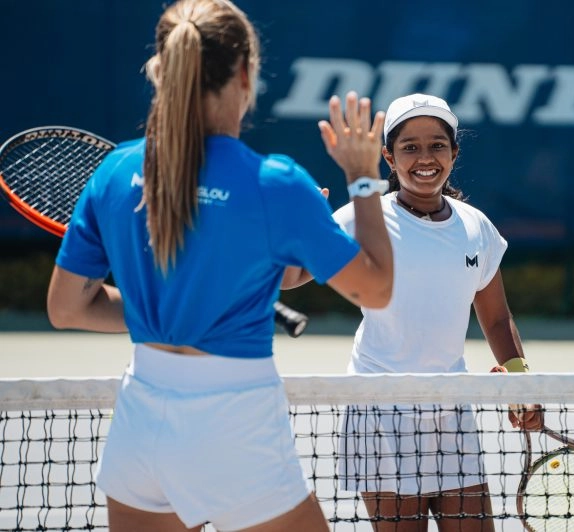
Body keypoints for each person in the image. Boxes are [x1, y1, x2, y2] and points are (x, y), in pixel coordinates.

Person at [45, 1, 392, 530]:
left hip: (138, 431)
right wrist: (364, 177)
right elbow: (378, 290)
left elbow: (68, 308)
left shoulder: (113, 171)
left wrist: (167, 311)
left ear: (163, 68)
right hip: (233, 426)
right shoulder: (276, 183)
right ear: (246, 72)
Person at [312, 93, 543, 532]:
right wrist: (306, 228)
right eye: (410, 147)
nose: (425, 157)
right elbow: (293, 277)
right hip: (379, 408)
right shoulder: (360, 217)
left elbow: (495, 317)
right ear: (388, 156)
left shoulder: (476, 226)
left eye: (437, 145)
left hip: (451, 407)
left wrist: (521, 380)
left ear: (454, 153)